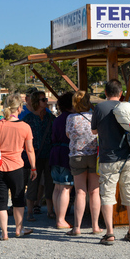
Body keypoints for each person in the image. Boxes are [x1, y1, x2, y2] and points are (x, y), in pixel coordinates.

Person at [91, 79, 130, 245]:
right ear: (120, 93)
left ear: (105, 93)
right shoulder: (129, 107)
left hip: (109, 157)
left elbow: (94, 131)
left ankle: (110, 233)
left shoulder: (99, 108)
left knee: (107, 195)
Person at [0, 93, 37, 240]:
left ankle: (4, 233)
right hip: (17, 168)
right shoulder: (25, 127)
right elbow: (29, 150)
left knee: (0, 201)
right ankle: (19, 229)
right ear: (20, 108)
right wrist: (33, 168)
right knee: (18, 199)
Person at [66, 91, 101, 236]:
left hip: (77, 156)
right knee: (94, 191)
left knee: (80, 192)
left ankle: (77, 228)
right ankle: (95, 226)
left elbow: (68, 134)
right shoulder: (94, 117)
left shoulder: (70, 118)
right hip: (93, 156)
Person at [23, 91, 56, 221]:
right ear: (37, 101)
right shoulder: (28, 119)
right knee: (32, 184)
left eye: (46, 99)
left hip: (48, 155)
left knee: (49, 183)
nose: (46, 101)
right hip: (34, 156)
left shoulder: (50, 118)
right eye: (43, 99)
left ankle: (50, 211)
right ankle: (29, 212)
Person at [49, 91, 74, 229]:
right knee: (66, 187)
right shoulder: (71, 118)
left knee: (57, 187)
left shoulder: (57, 119)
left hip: (55, 153)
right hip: (65, 153)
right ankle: (61, 219)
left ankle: (59, 217)